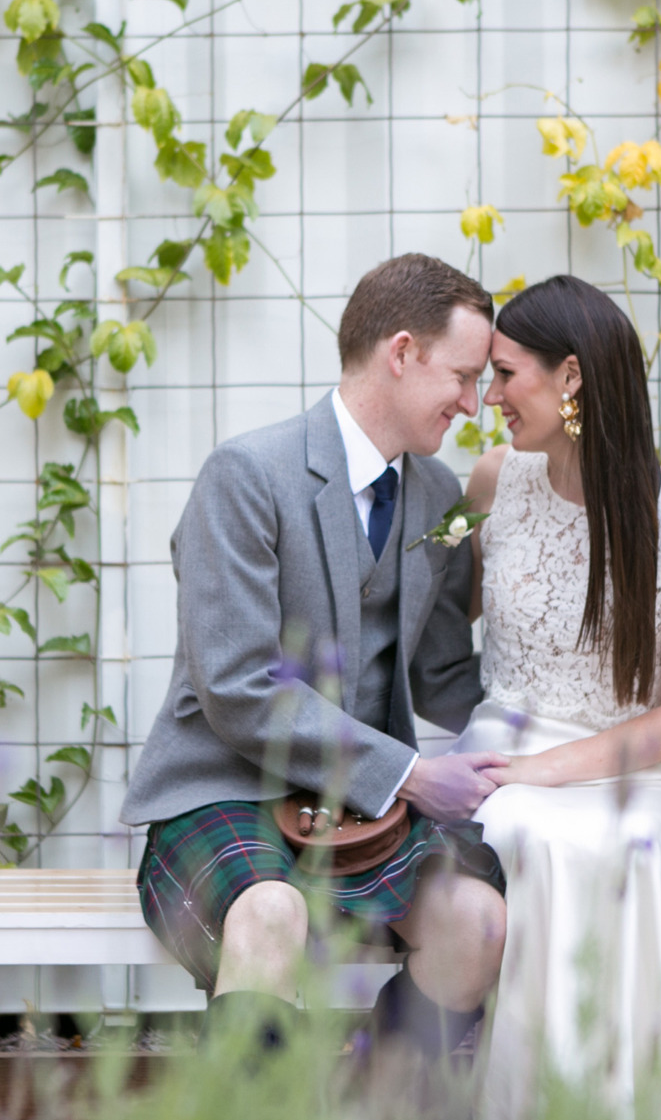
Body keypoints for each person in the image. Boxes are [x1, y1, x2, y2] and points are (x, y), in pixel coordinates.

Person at [120, 253, 510, 1063]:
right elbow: (238, 688)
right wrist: (408, 773)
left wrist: (565, 735)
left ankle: (358, 1118)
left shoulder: (438, 498)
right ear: (401, 352)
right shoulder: (247, 476)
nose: (474, 406)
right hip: (222, 790)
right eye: (464, 377)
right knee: (270, 915)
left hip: (364, 816)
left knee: (477, 924)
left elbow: (442, 677)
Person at [454, 275, 661, 1120]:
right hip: (504, 743)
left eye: (506, 374)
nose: (489, 397)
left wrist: (550, 768)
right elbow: (434, 624)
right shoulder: (495, 482)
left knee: (627, 850)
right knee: (526, 832)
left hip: (637, 767)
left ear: (570, 376)